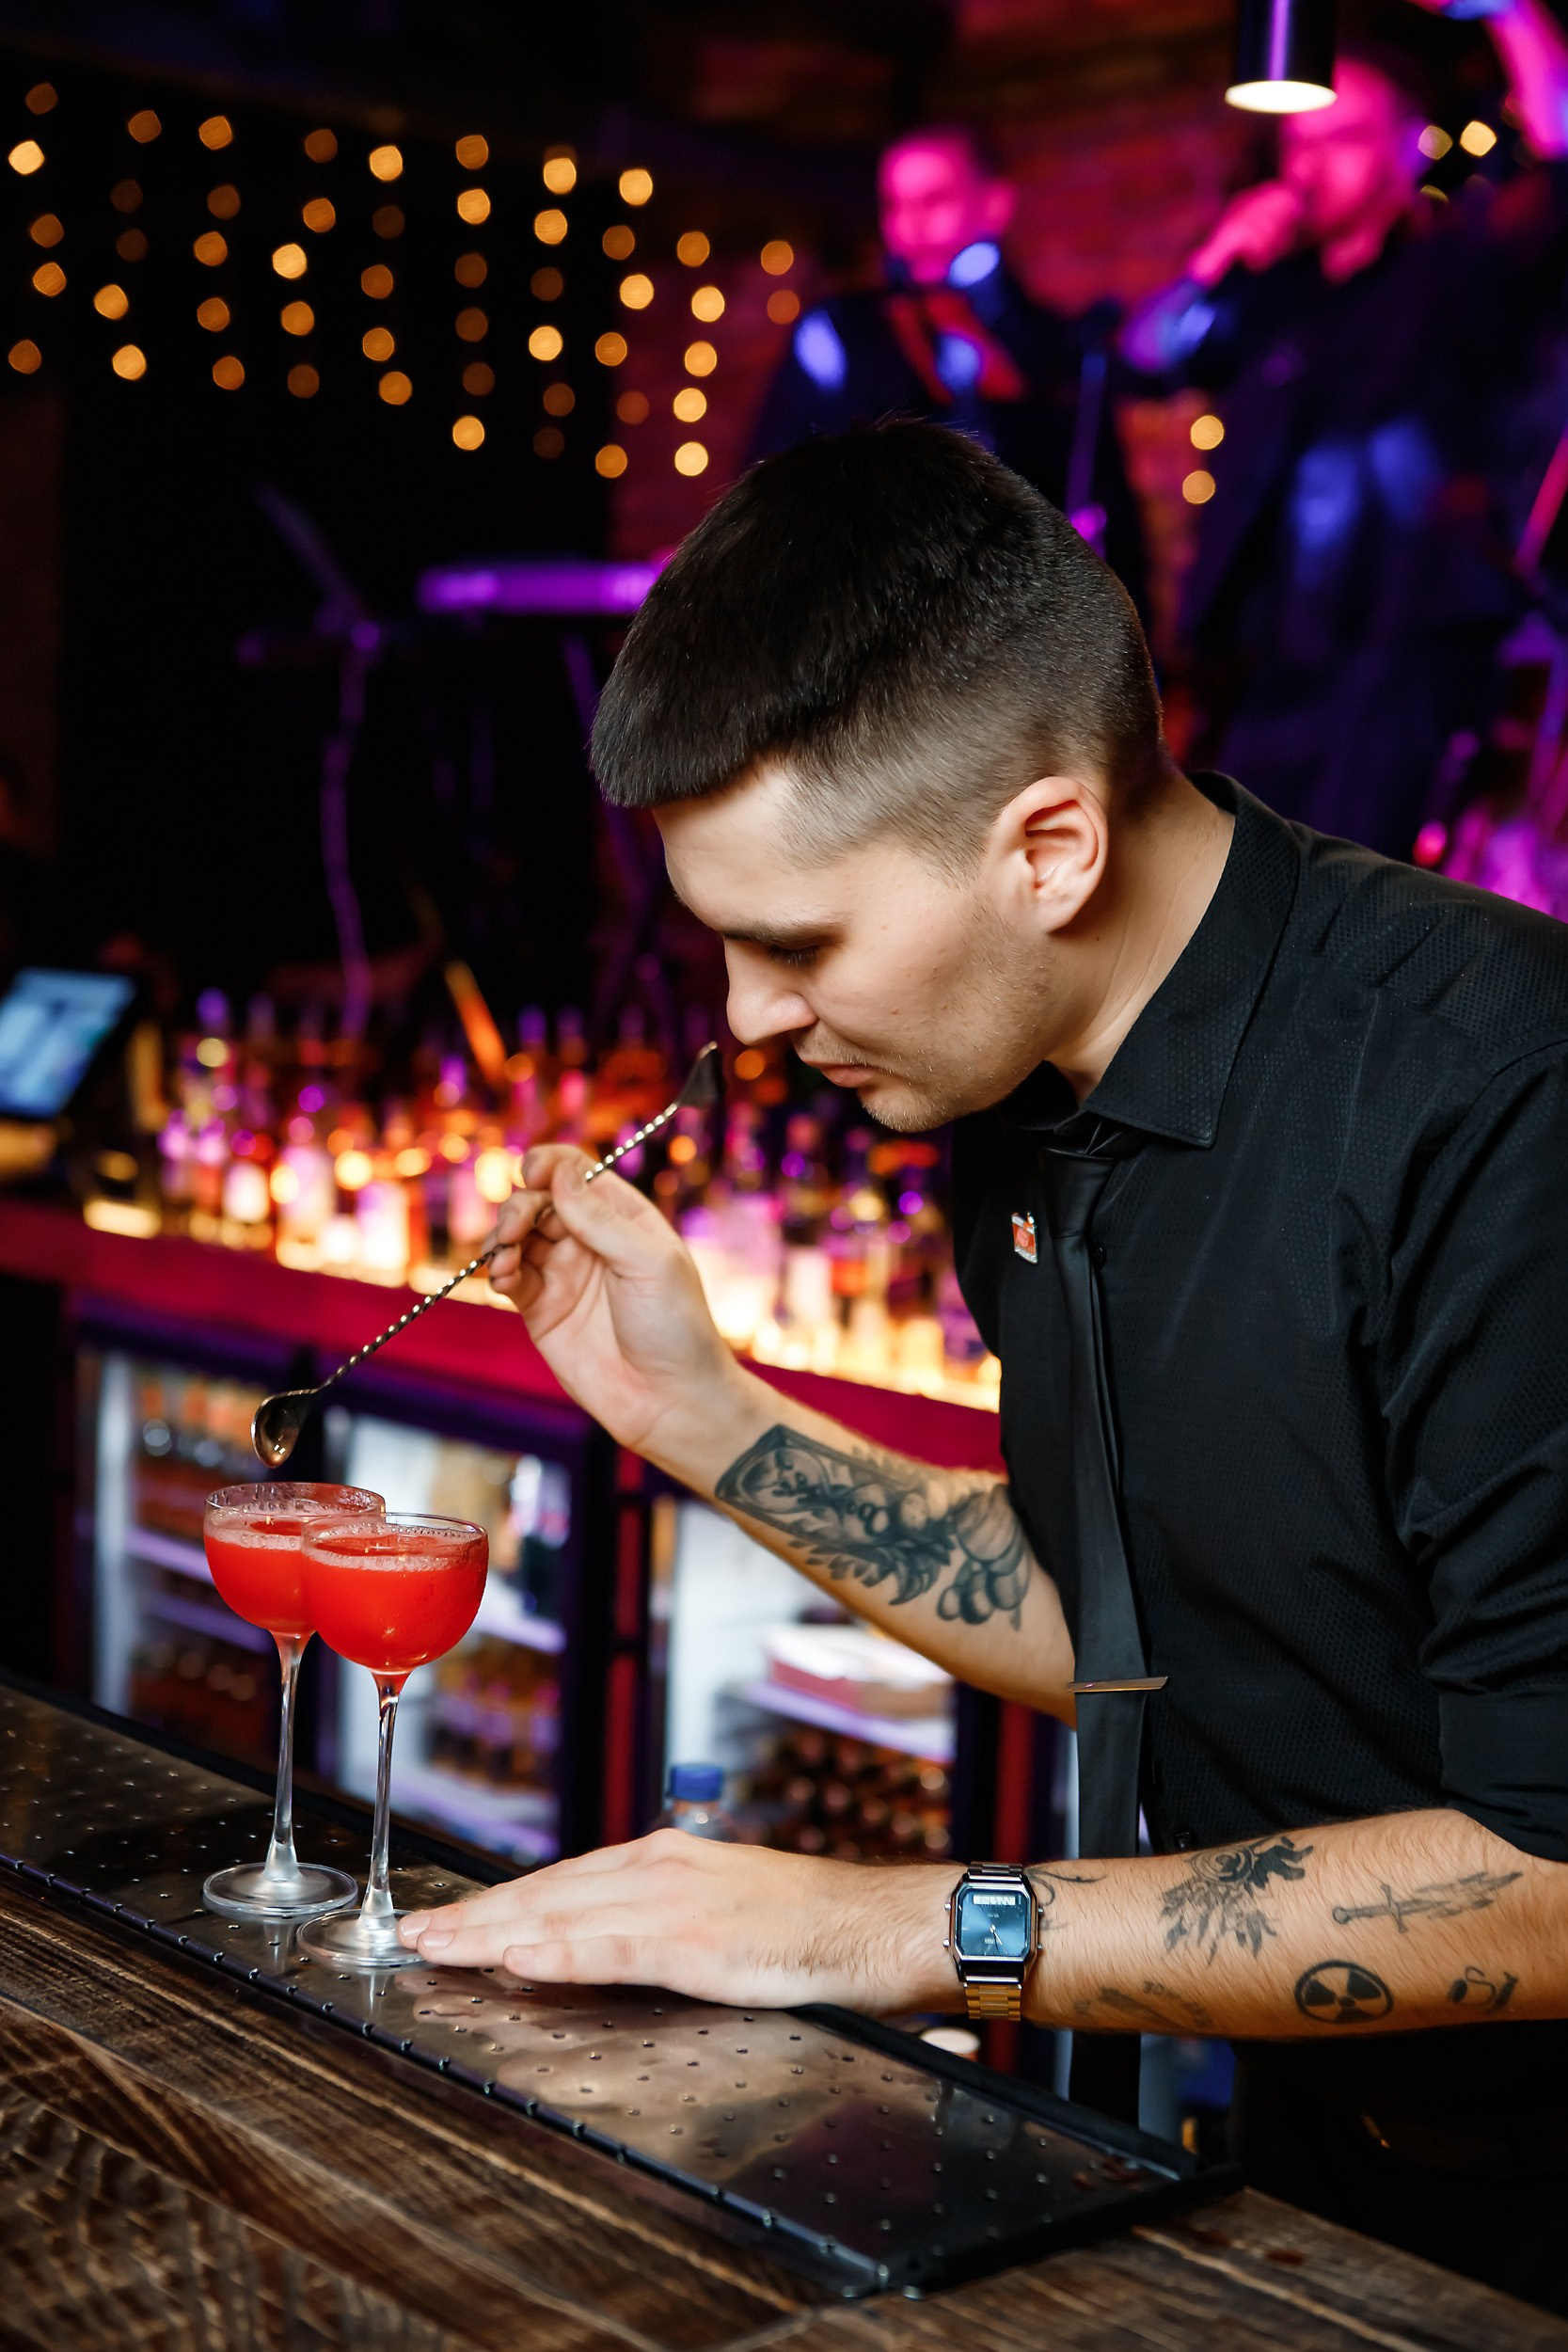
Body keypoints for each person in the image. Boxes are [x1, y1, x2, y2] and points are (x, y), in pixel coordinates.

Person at [397, 424, 1568, 2312]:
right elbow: (1133, 1611)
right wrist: (703, 1415)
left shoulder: (1494, 1093)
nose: (745, 1020)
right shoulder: (1006, 1082)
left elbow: (1551, 1868)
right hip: (1310, 2157)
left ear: (1047, 846)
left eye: (793, 942)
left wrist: (876, 1927)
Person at [1121, 3, 1568, 858]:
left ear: (1406, 147)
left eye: (1343, 140)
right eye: (1301, 143)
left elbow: (1559, 177)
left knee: (1360, 885)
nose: (1312, 164)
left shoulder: (1455, 268)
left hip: (1406, 641)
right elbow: (1146, 359)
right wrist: (1214, 260)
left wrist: (1511, 14)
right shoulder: (1272, 294)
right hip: (1267, 654)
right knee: (1249, 881)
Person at [752, 123, 1148, 616]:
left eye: (934, 200)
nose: (910, 225)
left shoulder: (1056, 348)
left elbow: (1108, 512)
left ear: (995, 204)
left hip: (1024, 622)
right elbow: (777, 473)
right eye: (895, 205)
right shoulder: (844, 329)